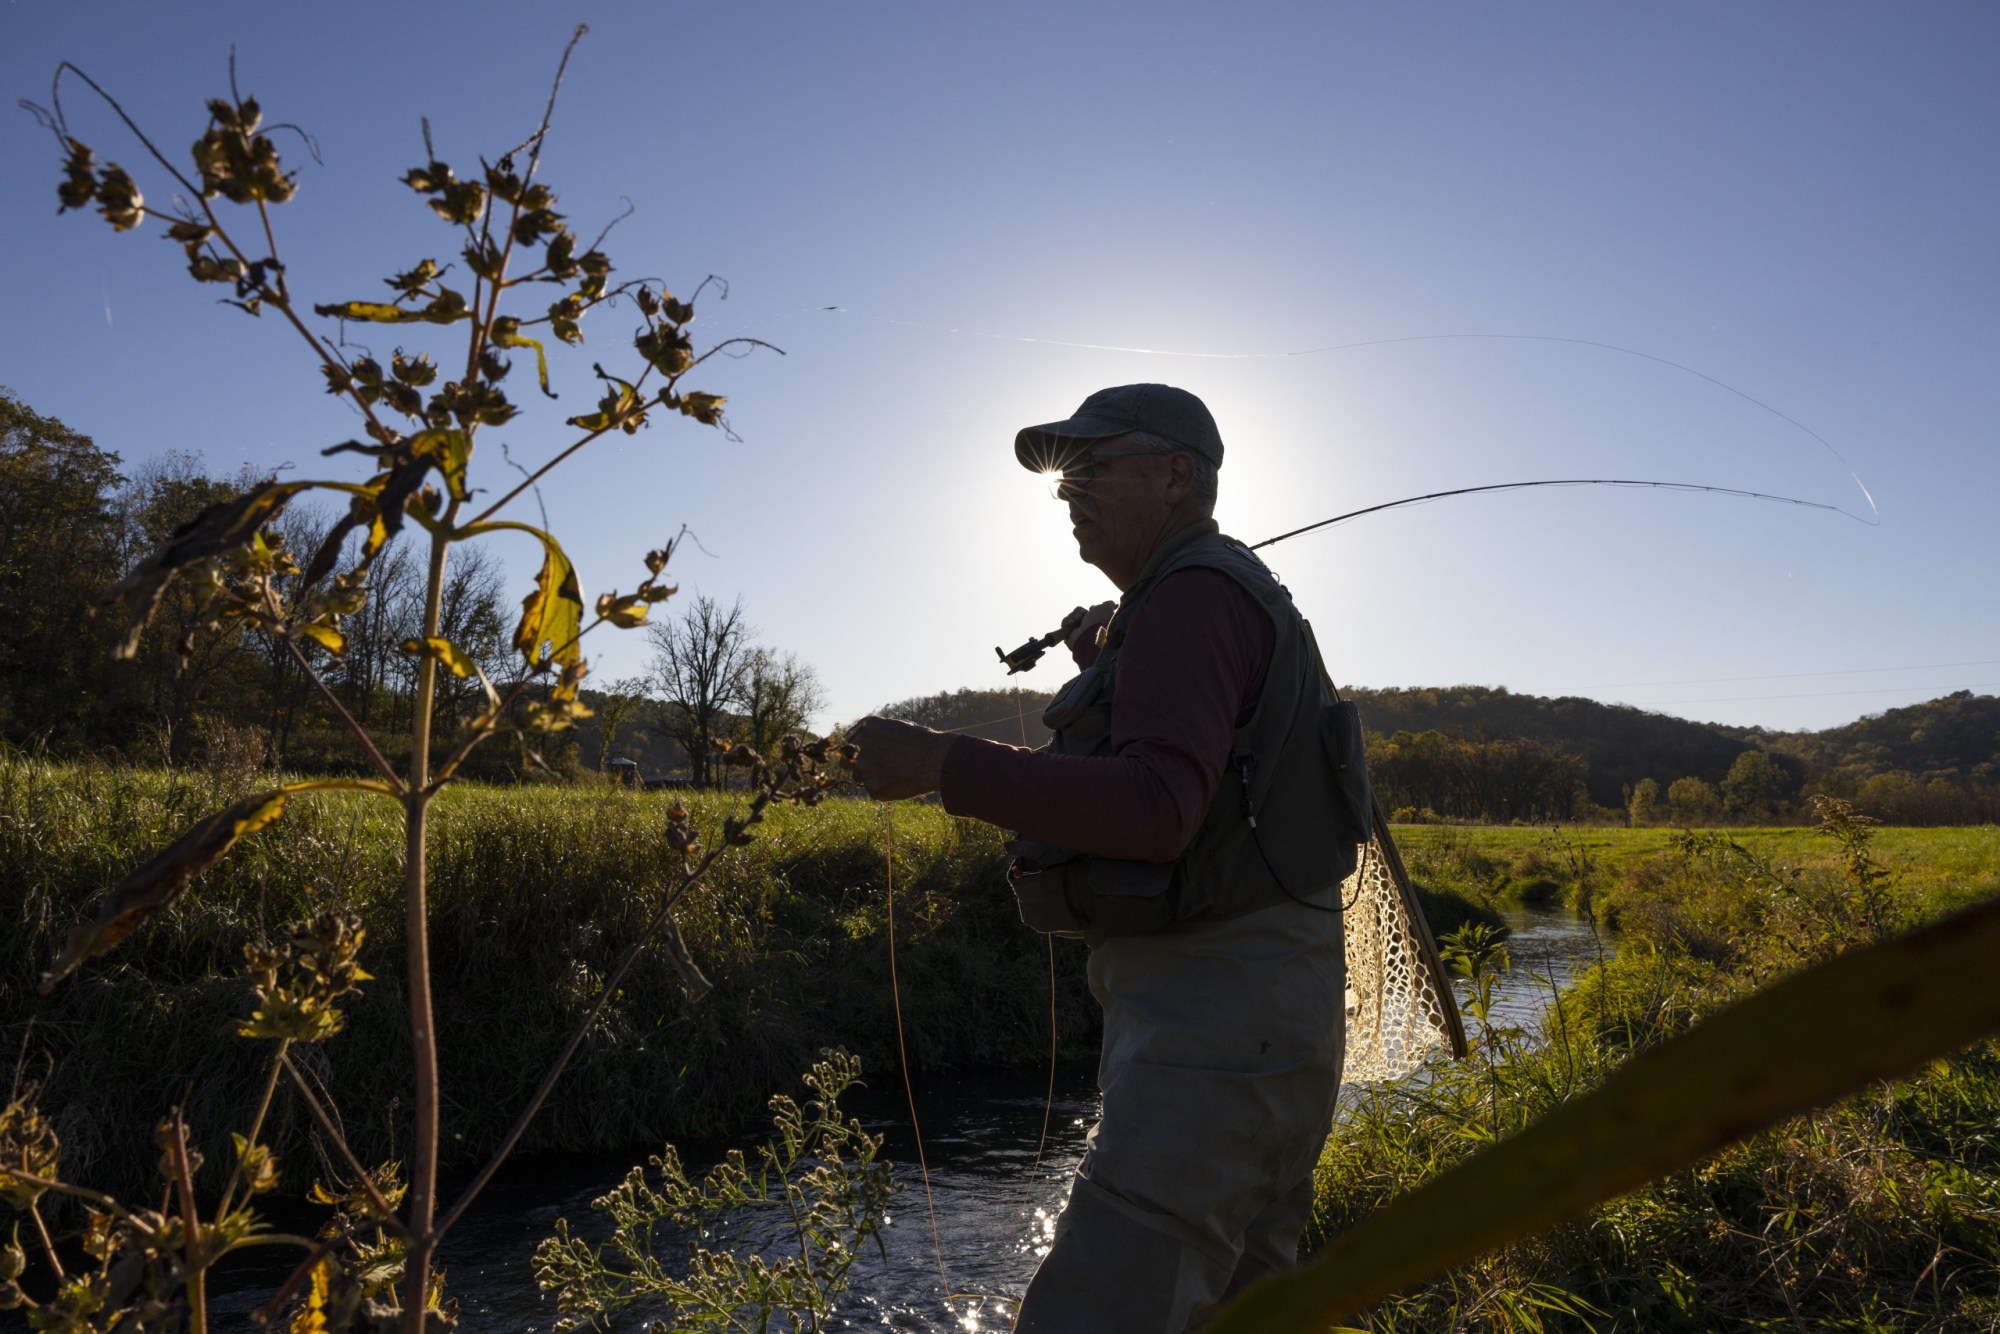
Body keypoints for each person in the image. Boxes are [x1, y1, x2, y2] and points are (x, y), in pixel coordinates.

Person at [849, 383, 1358, 1333]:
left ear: (1178, 476)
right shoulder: (1205, 595)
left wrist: (940, 764)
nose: (1067, 489)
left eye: (1093, 465)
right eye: (1061, 473)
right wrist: (1112, 672)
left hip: (1215, 1033)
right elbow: (1211, 797)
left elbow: (1158, 811)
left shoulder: (1194, 596)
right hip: (1263, 1025)